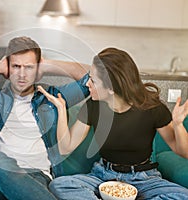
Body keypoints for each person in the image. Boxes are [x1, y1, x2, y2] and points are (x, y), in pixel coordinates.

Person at [0, 36, 91, 199]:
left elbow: (94, 78)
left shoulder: (51, 97)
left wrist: (48, 65)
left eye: (29, 67)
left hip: (36, 180)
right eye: (16, 66)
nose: (22, 74)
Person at [38, 47, 188, 199]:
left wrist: (178, 125)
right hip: (103, 176)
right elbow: (65, 147)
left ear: (111, 88)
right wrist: (61, 109)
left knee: (183, 196)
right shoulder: (93, 106)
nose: (87, 84)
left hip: (144, 179)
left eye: (93, 81)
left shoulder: (152, 107)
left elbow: (183, 151)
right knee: (60, 185)